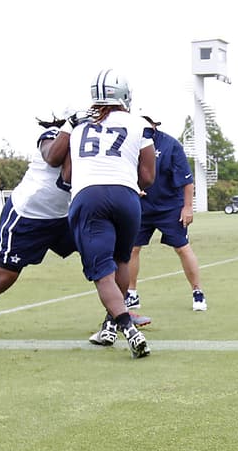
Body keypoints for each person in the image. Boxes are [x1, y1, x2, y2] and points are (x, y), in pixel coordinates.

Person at [44, 68, 155, 358]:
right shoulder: (138, 123)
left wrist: (69, 128)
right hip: (127, 196)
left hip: (89, 196)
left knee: (101, 271)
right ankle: (109, 326)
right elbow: (148, 176)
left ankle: (128, 328)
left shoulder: (77, 123)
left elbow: (57, 161)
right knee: (120, 260)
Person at [0, 112, 81, 344]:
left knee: (99, 254)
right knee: (4, 277)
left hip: (61, 217)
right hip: (27, 216)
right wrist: (71, 125)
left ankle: (119, 315)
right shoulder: (51, 135)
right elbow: (54, 159)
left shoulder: (88, 139)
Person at [125, 116, 206, 313]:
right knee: (133, 249)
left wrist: (187, 207)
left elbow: (187, 180)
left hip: (170, 206)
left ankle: (197, 291)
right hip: (141, 205)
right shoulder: (129, 141)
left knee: (182, 248)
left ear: (155, 124)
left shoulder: (171, 145)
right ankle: (131, 293)